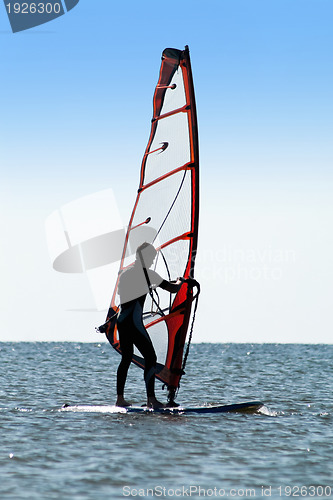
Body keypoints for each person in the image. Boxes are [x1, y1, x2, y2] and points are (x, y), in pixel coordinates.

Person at [115, 242, 184, 409]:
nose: (153, 261)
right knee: (151, 358)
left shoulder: (125, 274)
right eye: (151, 258)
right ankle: (151, 400)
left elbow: (120, 294)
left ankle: (120, 399)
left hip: (121, 320)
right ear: (144, 257)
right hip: (133, 322)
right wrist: (181, 281)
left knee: (125, 358)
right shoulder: (149, 275)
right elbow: (172, 289)